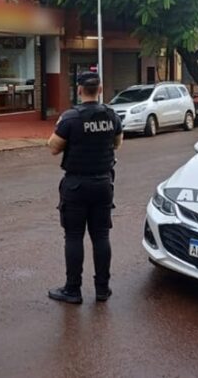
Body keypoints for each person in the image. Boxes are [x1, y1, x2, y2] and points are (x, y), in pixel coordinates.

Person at [46, 71, 123, 304]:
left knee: (74, 236)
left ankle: (73, 290)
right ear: (99, 90)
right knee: (101, 236)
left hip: (76, 186)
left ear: (79, 90)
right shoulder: (111, 116)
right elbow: (117, 144)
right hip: (103, 184)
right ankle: (102, 289)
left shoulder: (70, 118)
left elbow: (53, 147)